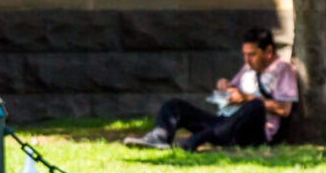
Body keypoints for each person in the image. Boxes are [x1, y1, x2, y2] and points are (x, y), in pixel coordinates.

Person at [124, 27, 299, 151]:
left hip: (252, 131)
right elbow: (234, 88)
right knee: (174, 106)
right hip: (225, 123)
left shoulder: (282, 69)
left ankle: (197, 139)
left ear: (268, 51)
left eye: (252, 55)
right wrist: (224, 86)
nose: (247, 60)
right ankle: (158, 136)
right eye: (244, 54)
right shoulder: (248, 68)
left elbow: (284, 109)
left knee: (255, 107)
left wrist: (247, 99)